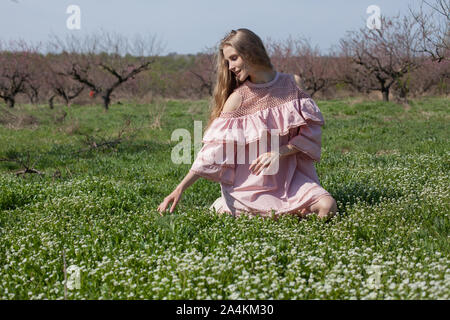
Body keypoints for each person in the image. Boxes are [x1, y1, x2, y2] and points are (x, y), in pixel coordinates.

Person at [157, 28, 337, 220]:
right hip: (250, 187)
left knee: (328, 206)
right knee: (277, 219)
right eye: (227, 61)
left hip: (291, 180)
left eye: (234, 58)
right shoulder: (237, 100)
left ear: (251, 52)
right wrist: (179, 189)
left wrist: (280, 152)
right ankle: (225, 204)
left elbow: (310, 133)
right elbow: (211, 154)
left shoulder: (293, 85)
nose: (230, 66)